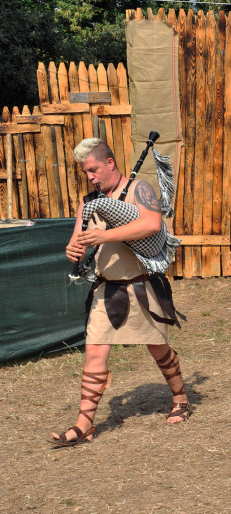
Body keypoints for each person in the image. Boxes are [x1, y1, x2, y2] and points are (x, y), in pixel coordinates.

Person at [51, 138, 189, 446]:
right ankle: (84, 424)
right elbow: (79, 244)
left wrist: (105, 234)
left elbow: (152, 224)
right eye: (86, 172)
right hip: (106, 289)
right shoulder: (88, 203)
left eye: (94, 169)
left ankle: (180, 397)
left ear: (110, 163)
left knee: (157, 348)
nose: (91, 177)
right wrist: (72, 249)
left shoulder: (139, 190)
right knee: (95, 352)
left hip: (141, 284)